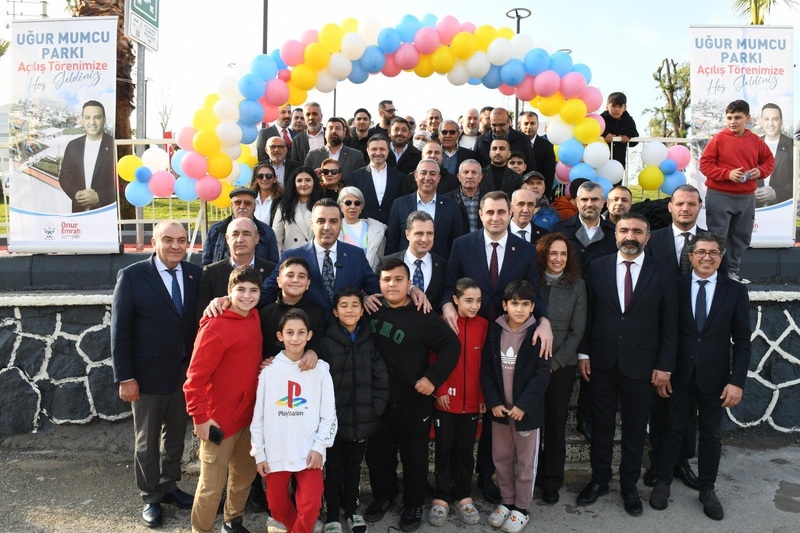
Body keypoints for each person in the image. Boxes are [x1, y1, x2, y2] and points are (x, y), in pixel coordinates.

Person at [442, 191, 554, 504]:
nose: (495, 217)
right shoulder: (462, 244)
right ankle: (454, 480)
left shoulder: (526, 249)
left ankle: (486, 476)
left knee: (497, 410)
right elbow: (450, 284)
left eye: (501, 212)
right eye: (489, 212)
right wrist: (447, 304)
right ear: (480, 214)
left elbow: (534, 293)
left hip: (508, 338)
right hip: (470, 336)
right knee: (475, 407)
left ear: (510, 214)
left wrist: (544, 321)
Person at [575, 213, 677, 517]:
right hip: (602, 361)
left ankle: (629, 486)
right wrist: (584, 353)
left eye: (637, 231)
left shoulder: (663, 272)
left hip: (643, 364)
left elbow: (669, 324)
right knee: (601, 426)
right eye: (624, 230)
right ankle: (600, 479)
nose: (630, 236)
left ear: (648, 237)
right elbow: (588, 313)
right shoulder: (598, 267)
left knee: (634, 429)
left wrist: (665, 366)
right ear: (615, 234)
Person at [648, 232, 752, 521]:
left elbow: (743, 341)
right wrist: (664, 368)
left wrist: (737, 381)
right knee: (671, 430)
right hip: (678, 375)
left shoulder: (735, 291)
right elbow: (665, 331)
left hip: (716, 379)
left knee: (711, 436)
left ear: (721, 257)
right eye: (701, 252)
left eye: (713, 252)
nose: (707, 257)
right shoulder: (675, 287)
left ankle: (707, 489)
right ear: (691, 256)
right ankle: (663, 482)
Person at [111, 220, 203, 527]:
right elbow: (120, 331)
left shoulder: (194, 274)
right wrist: (125, 377)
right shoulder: (133, 276)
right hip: (146, 375)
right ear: (154, 242)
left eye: (182, 240)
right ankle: (150, 495)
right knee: (147, 440)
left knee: (175, 435)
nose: (176, 246)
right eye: (168, 239)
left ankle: (169, 485)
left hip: (184, 375)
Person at [363, 258, 459, 533]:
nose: (392, 284)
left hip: (414, 400)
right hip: (377, 400)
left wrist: (433, 378)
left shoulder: (422, 313)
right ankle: (384, 496)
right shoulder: (370, 310)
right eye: (386, 279)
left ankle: (413, 503)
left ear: (409, 284)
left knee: (415, 457)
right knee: (379, 455)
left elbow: (451, 345)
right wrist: (363, 296)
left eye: (398, 279)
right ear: (379, 283)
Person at [183, 266, 263, 533]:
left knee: (243, 476)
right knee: (211, 486)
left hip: (248, 418)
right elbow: (194, 379)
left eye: (253, 290)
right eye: (241, 290)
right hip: (218, 421)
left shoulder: (254, 316)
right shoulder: (214, 326)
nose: (247, 296)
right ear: (229, 291)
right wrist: (200, 418)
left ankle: (232, 521)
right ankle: (201, 530)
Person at [250, 308, 337, 533]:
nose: (295, 338)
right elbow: (258, 416)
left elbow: (329, 415)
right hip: (276, 452)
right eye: (290, 332)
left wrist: (319, 447)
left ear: (310, 335)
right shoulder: (269, 371)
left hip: (309, 451)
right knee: (277, 508)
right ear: (280, 336)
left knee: (311, 506)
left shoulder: (320, 371)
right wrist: (259, 453)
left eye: (301, 332)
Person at [319, 288, 390, 533]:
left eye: (355, 305)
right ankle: (332, 514)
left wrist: (374, 410)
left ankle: (351, 511)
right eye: (344, 305)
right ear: (335, 311)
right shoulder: (325, 343)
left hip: (362, 420)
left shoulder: (369, 341)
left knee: (353, 468)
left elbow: (381, 379)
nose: (349, 310)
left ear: (362, 311)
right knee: (331, 470)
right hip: (332, 423)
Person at [482, 280, 550, 533]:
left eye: (525, 304)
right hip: (500, 412)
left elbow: (542, 375)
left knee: (525, 462)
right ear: (505, 305)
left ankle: (521, 507)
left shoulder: (538, 334)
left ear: (533, 307)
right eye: (514, 303)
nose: (519, 309)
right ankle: (507, 501)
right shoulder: (494, 331)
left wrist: (523, 405)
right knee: (500, 458)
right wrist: (494, 402)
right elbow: (487, 370)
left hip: (525, 413)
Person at [429, 278, 488, 527]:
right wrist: (440, 388)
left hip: (472, 401)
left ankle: (463, 495)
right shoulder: (442, 323)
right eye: (468, 301)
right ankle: (441, 496)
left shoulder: (483, 325)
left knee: (465, 450)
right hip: (445, 400)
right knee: (444, 449)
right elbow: (433, 357)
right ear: (455, 299)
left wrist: (483, 396)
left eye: (478, 301)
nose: (474, 306)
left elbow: (486, 363)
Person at [534, 233, 587, 504]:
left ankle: (552, 481)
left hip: (561, 366)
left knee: (555, 425)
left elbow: (577, 331)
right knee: (531, 424)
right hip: (531, 365)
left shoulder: (577, 284)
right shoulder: (532, 282)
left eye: (563, 254)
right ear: (544, 255)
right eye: (553, 253)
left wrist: (554, 363)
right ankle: (530, 475)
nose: (558, 259)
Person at [263, 198, 381, 317]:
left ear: (341, 224)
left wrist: (365, 298)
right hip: (307, 325)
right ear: (311, 224)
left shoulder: (356, 255)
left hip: (345, 326)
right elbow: (269, 291)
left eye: (333, 221)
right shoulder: (291, 256)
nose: (327, 227)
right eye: (321, 221)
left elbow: (376, 290)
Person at [700, 99, 775, 284]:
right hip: (719, 195)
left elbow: (769, 161)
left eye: (737, 117)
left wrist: (760, 171)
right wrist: (727, 174)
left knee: (741, 236)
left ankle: (731, 273)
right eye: (729, 117)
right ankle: (715, 274)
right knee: (717, 237)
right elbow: (705, 165)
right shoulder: (718, 139)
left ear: (747, 118)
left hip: (746, 197)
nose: (732, 121)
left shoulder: (756, 141)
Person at [386, 159, 465, 259]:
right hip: (405, 266)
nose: (427, 178)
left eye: (432, 174)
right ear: (415, 176)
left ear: (439, 178)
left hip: (440, 266)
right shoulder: (399, 204)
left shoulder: (452, 206)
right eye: (423, 173)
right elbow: (392, 242)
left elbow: (456, 244)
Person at [197, 217, 276, 317]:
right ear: (227, 238)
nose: (240, 240)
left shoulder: (271, 271)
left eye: (246, 234)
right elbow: (203, 315)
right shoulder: (211, 272)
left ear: (257, 238)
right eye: (235, 234)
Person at [260, 256, 329, 360]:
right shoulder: (265, 314)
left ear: (308, 284)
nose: (295, 280)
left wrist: (314, 352)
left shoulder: (317, 313)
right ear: (279, 281)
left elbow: (320, 342)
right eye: (290, 275)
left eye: (301, 276)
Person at [382, 210, 448, 312]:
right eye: (419, 234)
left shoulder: (443, 265)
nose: (425, 239)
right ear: (407, 234)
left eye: (429, 233)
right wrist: (410, 288)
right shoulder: (386, 262)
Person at [59, 100, 116, 212]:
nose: (92, 122)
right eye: (87, 117)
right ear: (82, 120)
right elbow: (64, 178)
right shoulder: (73, 145)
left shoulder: (115, 146)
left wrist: (100, 197)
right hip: (79, 214)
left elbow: (123, 184)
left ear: (104, 120)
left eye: (97, 117)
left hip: (106, 214)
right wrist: (76, 194)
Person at [202, 187, 280, 266]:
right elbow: (206, 264)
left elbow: (273, 265)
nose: (242, 207)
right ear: (231, 205)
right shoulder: (215, 230)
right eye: (237, 203)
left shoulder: (267, 232)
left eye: (247, 203)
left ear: (254, 205)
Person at [348, 135, 407, 225]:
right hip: (364, 227)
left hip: (391, 226)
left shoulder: (400, 177)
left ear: (388, 151)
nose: (378, 153)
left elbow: (402, 206)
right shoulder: (355, 177)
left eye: (382, 149)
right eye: (374, 149)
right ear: (367, 151)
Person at [273, 166, 325, 253]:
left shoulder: (323, 206)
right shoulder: (284, 207)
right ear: (294, 184)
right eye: (299, 181)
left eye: (308, 180)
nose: (303, 184)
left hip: (316, 256)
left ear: (314, 183)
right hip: (291, 257)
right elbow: (276, 238)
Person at [338, 186, 387, 272]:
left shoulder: (377, 229)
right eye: (348, 203)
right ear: (341, 206)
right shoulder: (334, 228)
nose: (352, 206)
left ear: (361, 207)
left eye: (357, 203)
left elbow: (380, 257)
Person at [757, 103, 793, 206]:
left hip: (782, 207)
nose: (771, 123)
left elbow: (797, 181)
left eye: (775, 119)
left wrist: (777, 194)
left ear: (781, 121)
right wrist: (752, 191)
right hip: (756, 209)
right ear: (762, 121)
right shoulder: (752, 144)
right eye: (766, 119)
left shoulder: (793, 145)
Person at [445, 159, 490, 233]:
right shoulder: (447, 200)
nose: (470, 176)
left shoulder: (489, 199)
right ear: (459, 176)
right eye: (466, 172)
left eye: (474, 172)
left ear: (480, 177)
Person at [518, 111, 556, 199]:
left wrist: (545, 195)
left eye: (532, 123)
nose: (529, 127)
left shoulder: (546, 145)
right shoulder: (514, 145)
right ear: (520, 125)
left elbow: (549, 173)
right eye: (526, 123)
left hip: (539, 193)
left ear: (538, 125)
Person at [600, 92, 639, 168]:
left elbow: (635, 139)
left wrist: (628, 135)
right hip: (600, 159)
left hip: (619, 161)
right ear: (607, 106)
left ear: (625, 108)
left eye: (620, 106)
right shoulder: (601, 119)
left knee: (617, 174)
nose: (617, 109)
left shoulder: (629, 121)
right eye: (613, 106)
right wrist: (605, 134)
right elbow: (594, 131)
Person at [250, 162, 282, 226]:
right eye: (260, 176)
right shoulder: (251, 198)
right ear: (256, 179)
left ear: (275, 179)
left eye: (268, 176)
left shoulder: (281, 199)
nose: (264, 179)